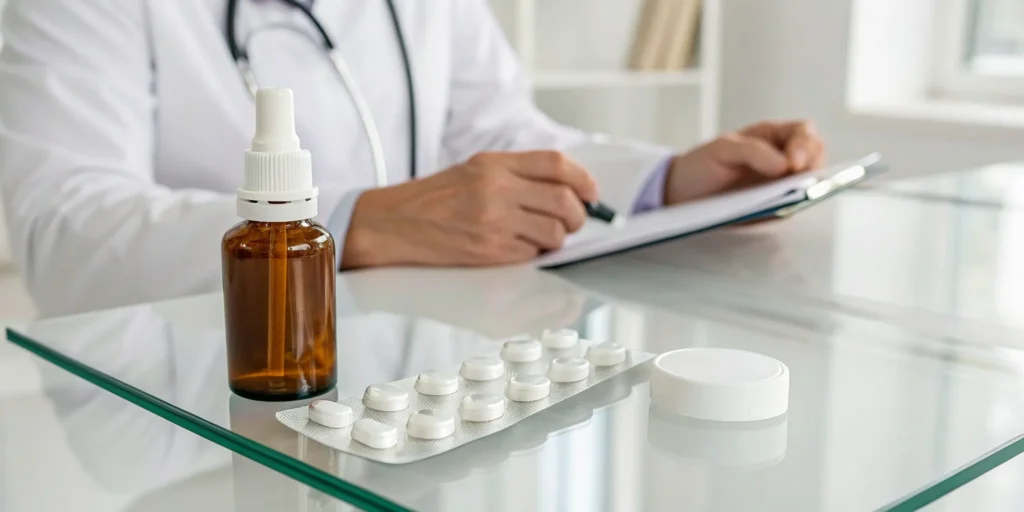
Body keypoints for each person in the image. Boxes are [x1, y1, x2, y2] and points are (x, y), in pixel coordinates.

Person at [0, 0, 826, 316]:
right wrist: (354, 224)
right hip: (178, 390)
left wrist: (672, 178)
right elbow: (64, 229)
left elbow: (501, 133)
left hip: (401, 369)